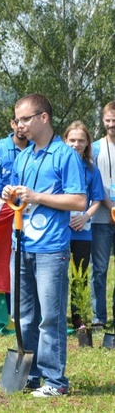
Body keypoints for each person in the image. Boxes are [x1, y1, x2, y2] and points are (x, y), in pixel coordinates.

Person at [1, 93, 86, 397]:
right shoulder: (23, 156)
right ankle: (31, 375)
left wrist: (37, 196)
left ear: (43, 118)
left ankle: (56, 381)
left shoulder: (66, 156)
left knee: (49, 317)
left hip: (51, 248)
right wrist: (10, 193)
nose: (19, 124)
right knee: (24, 315)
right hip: (21, 244)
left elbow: (78, 200)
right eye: (18, 119)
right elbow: (14, 197)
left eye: (25, 119)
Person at [63, 121, 104, 329]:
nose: (76, 144)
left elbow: (97, 199)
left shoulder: (91, 170)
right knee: (57, 274)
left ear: (87, 142)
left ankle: (78, 316)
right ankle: (58, 315)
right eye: (72, 140)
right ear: (65, 140)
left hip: (82, 230)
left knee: (80, 275)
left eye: (80, 140)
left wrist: (85, 217)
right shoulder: (58, 165)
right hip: (60, 229)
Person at [90, 101, 115, 329]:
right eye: (108, 120)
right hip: (100, 217)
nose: (111, 124)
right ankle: (99, 317)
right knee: (99, 269)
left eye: (114, 120)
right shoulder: (96, 148)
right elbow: (94, 183)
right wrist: (110, 208)